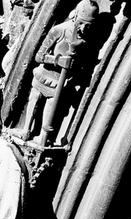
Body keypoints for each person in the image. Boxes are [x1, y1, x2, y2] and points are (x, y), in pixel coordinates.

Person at [21, 0, 99, 144]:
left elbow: (80, 65)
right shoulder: (59, 30)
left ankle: (43, 138)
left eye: (88, 26)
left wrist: (75, 69)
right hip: (43, 76)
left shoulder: (84, 42)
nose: (82, 28)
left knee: (50, 109)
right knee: (34, 99)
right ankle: (26, 130)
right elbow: (39, 56)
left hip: (59, 83)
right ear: (75, 16)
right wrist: (58, 60)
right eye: (81, 23)